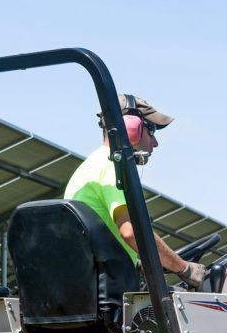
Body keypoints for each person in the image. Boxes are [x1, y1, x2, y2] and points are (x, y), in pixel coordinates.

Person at [64, 94, 205, 288]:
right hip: (108, 288)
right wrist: (184, 268)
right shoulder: (113, 167)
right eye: (151, 131)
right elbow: (130, 232)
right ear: (131, 127)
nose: (155, 143)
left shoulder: (88, 167)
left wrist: (136, 259)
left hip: (88, 283)